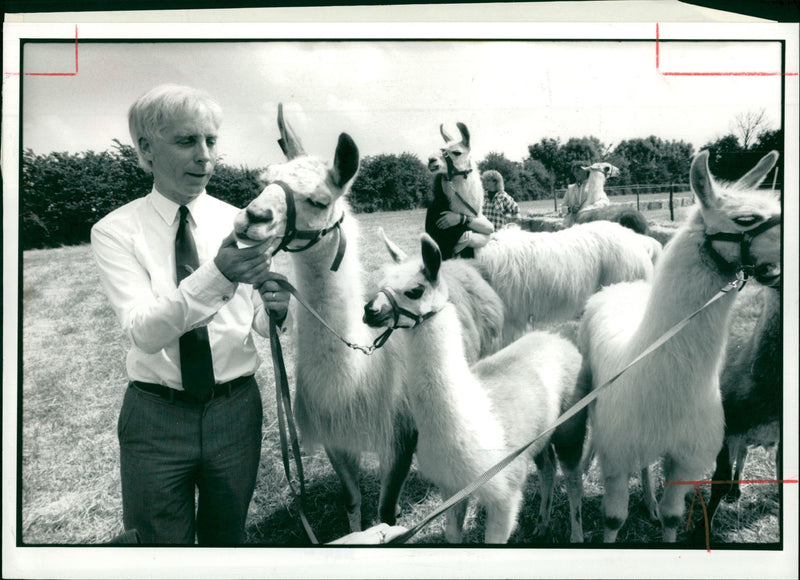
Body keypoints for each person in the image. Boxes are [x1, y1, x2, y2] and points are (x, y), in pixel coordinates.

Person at [91, 84, 290, 545]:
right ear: (146, 148)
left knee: (227, 540)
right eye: (186, 142)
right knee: (158, 553)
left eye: (211, 141)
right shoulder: (114, 231)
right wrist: (218, 273)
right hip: (156, 418)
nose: (205, 157)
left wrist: (276, 313)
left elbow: (261, 318)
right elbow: (144, 330)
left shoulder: (244, 220)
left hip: (236, 412)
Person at [424, 173, 494, 260]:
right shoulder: (437, 208)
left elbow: (490, 228)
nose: (450, 183)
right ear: (440, 181)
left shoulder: (462, 204)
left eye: (454, 180)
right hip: (449, 268)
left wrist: (461, 218)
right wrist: (487, 235)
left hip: (468, 264)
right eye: (446, 179)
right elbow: (476, 240)